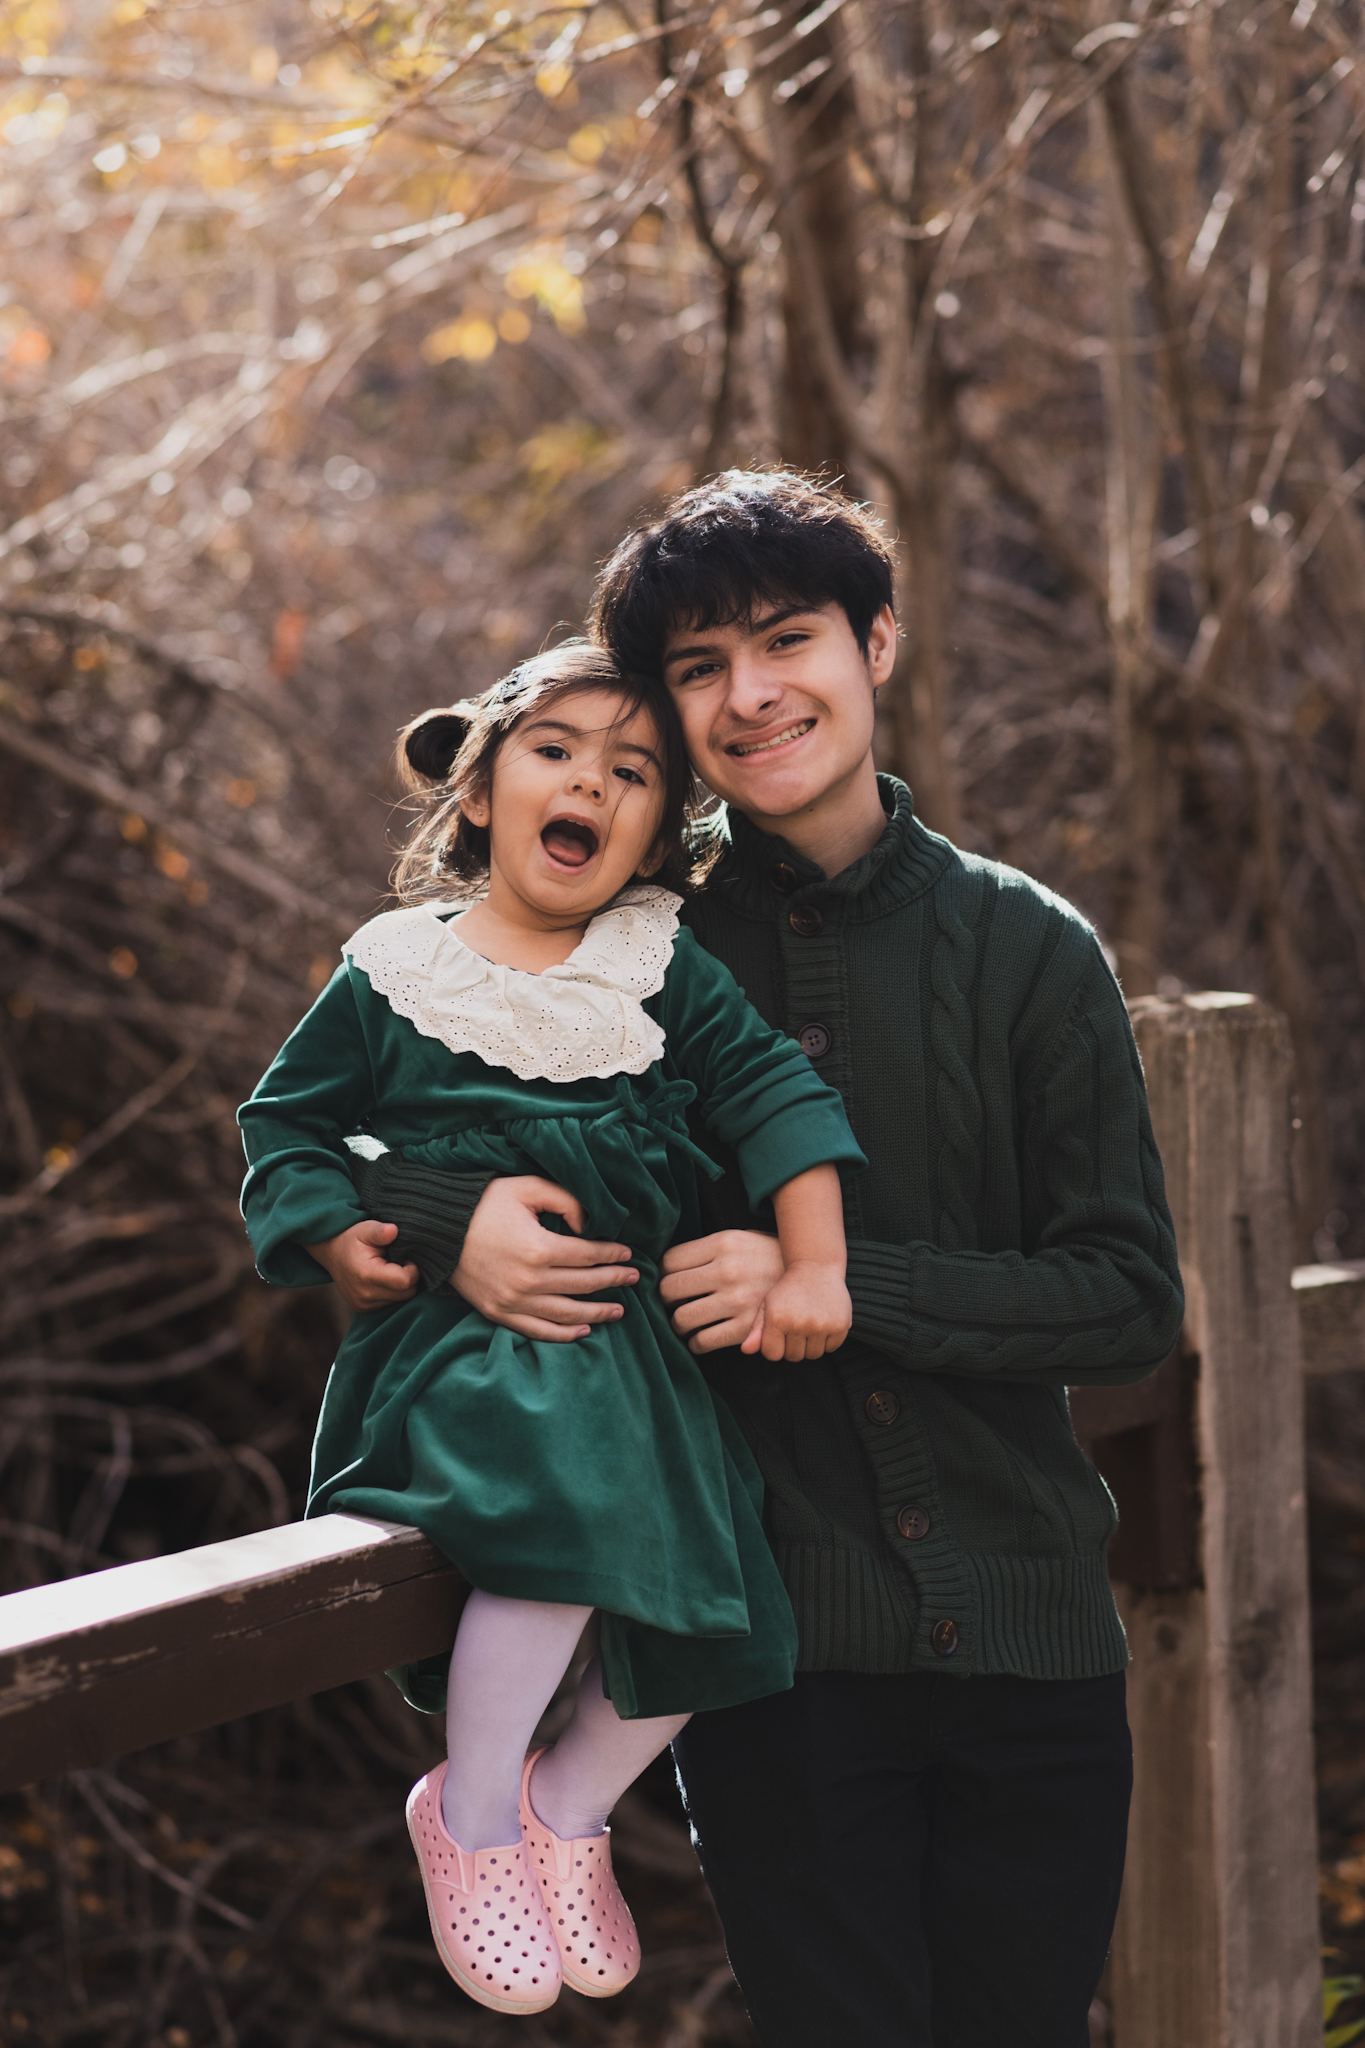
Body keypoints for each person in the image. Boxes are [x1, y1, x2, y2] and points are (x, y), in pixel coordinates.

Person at [330, 473, 1186, 2047]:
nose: (749, 696)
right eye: (699, 668)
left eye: (788, 641)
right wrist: (460, 1225)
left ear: (875, 643)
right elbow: (370, 1120)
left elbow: (1126, 1302)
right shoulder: (618, 943)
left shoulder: (1029, 949)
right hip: (775, 1667)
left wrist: (845, 1289)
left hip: (1033, 1648)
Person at [236, 641, 866, 2019]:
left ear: (658, 830)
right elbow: (288, 1128)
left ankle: (566, 1807)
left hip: (632, 1355)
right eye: (557, 752)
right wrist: (339, 1231)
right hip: (459, 1354)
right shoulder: (397, 973)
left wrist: (813, 1258)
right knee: (563, 1505)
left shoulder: (659, 965)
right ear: (478, 795)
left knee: (729, 1582)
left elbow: (773, 1096)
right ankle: (469, 1814)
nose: (592, 782)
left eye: (632, 772)